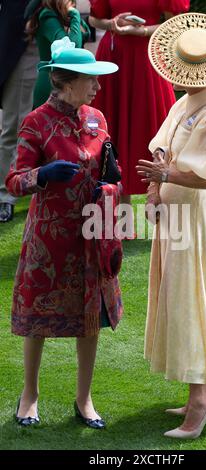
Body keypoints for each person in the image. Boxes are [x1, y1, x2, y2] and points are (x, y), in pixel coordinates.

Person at [136, 13, 206, 439]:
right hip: (173, 214)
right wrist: (152, 193)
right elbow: (161, 152)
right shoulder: (185, 102)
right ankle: (203, 388)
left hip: (195, 219)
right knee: (178, 297)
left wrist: (164, 180)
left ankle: (200, 401)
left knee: (190, 299)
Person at [5, 37, 121, 428]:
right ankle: (29, 395)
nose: (97, 87)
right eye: (91, 80)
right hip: (49, 240)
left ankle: (84, 400)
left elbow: (105, 165)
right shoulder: (36, 122)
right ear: (67, 82)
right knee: (38, 318)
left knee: (90, 318)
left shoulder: (97, 118)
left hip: (91, 235)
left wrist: (110, 179)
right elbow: (15, 180)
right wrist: (43, 175)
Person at [88, 0, 190, 224]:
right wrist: (111, 24)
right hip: (113, 59)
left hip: (147, 59)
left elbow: (176, 24)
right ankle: (122, 216)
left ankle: (159, 207)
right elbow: (94, 19)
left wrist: (142, 30)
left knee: (154, 129)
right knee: (113, 130)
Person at [0, 0, 38, 223]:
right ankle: (5, 195)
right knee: (14, 128)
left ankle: (45, 190)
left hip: (55, 48)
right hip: (24, 48)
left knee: (55, 129)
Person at [26, 0, 91, 108]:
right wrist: (75, 14)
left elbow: (85, 32)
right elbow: (72, 48)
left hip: (68, 81)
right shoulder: (47, 16)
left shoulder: (64, 13)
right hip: (52, 82)